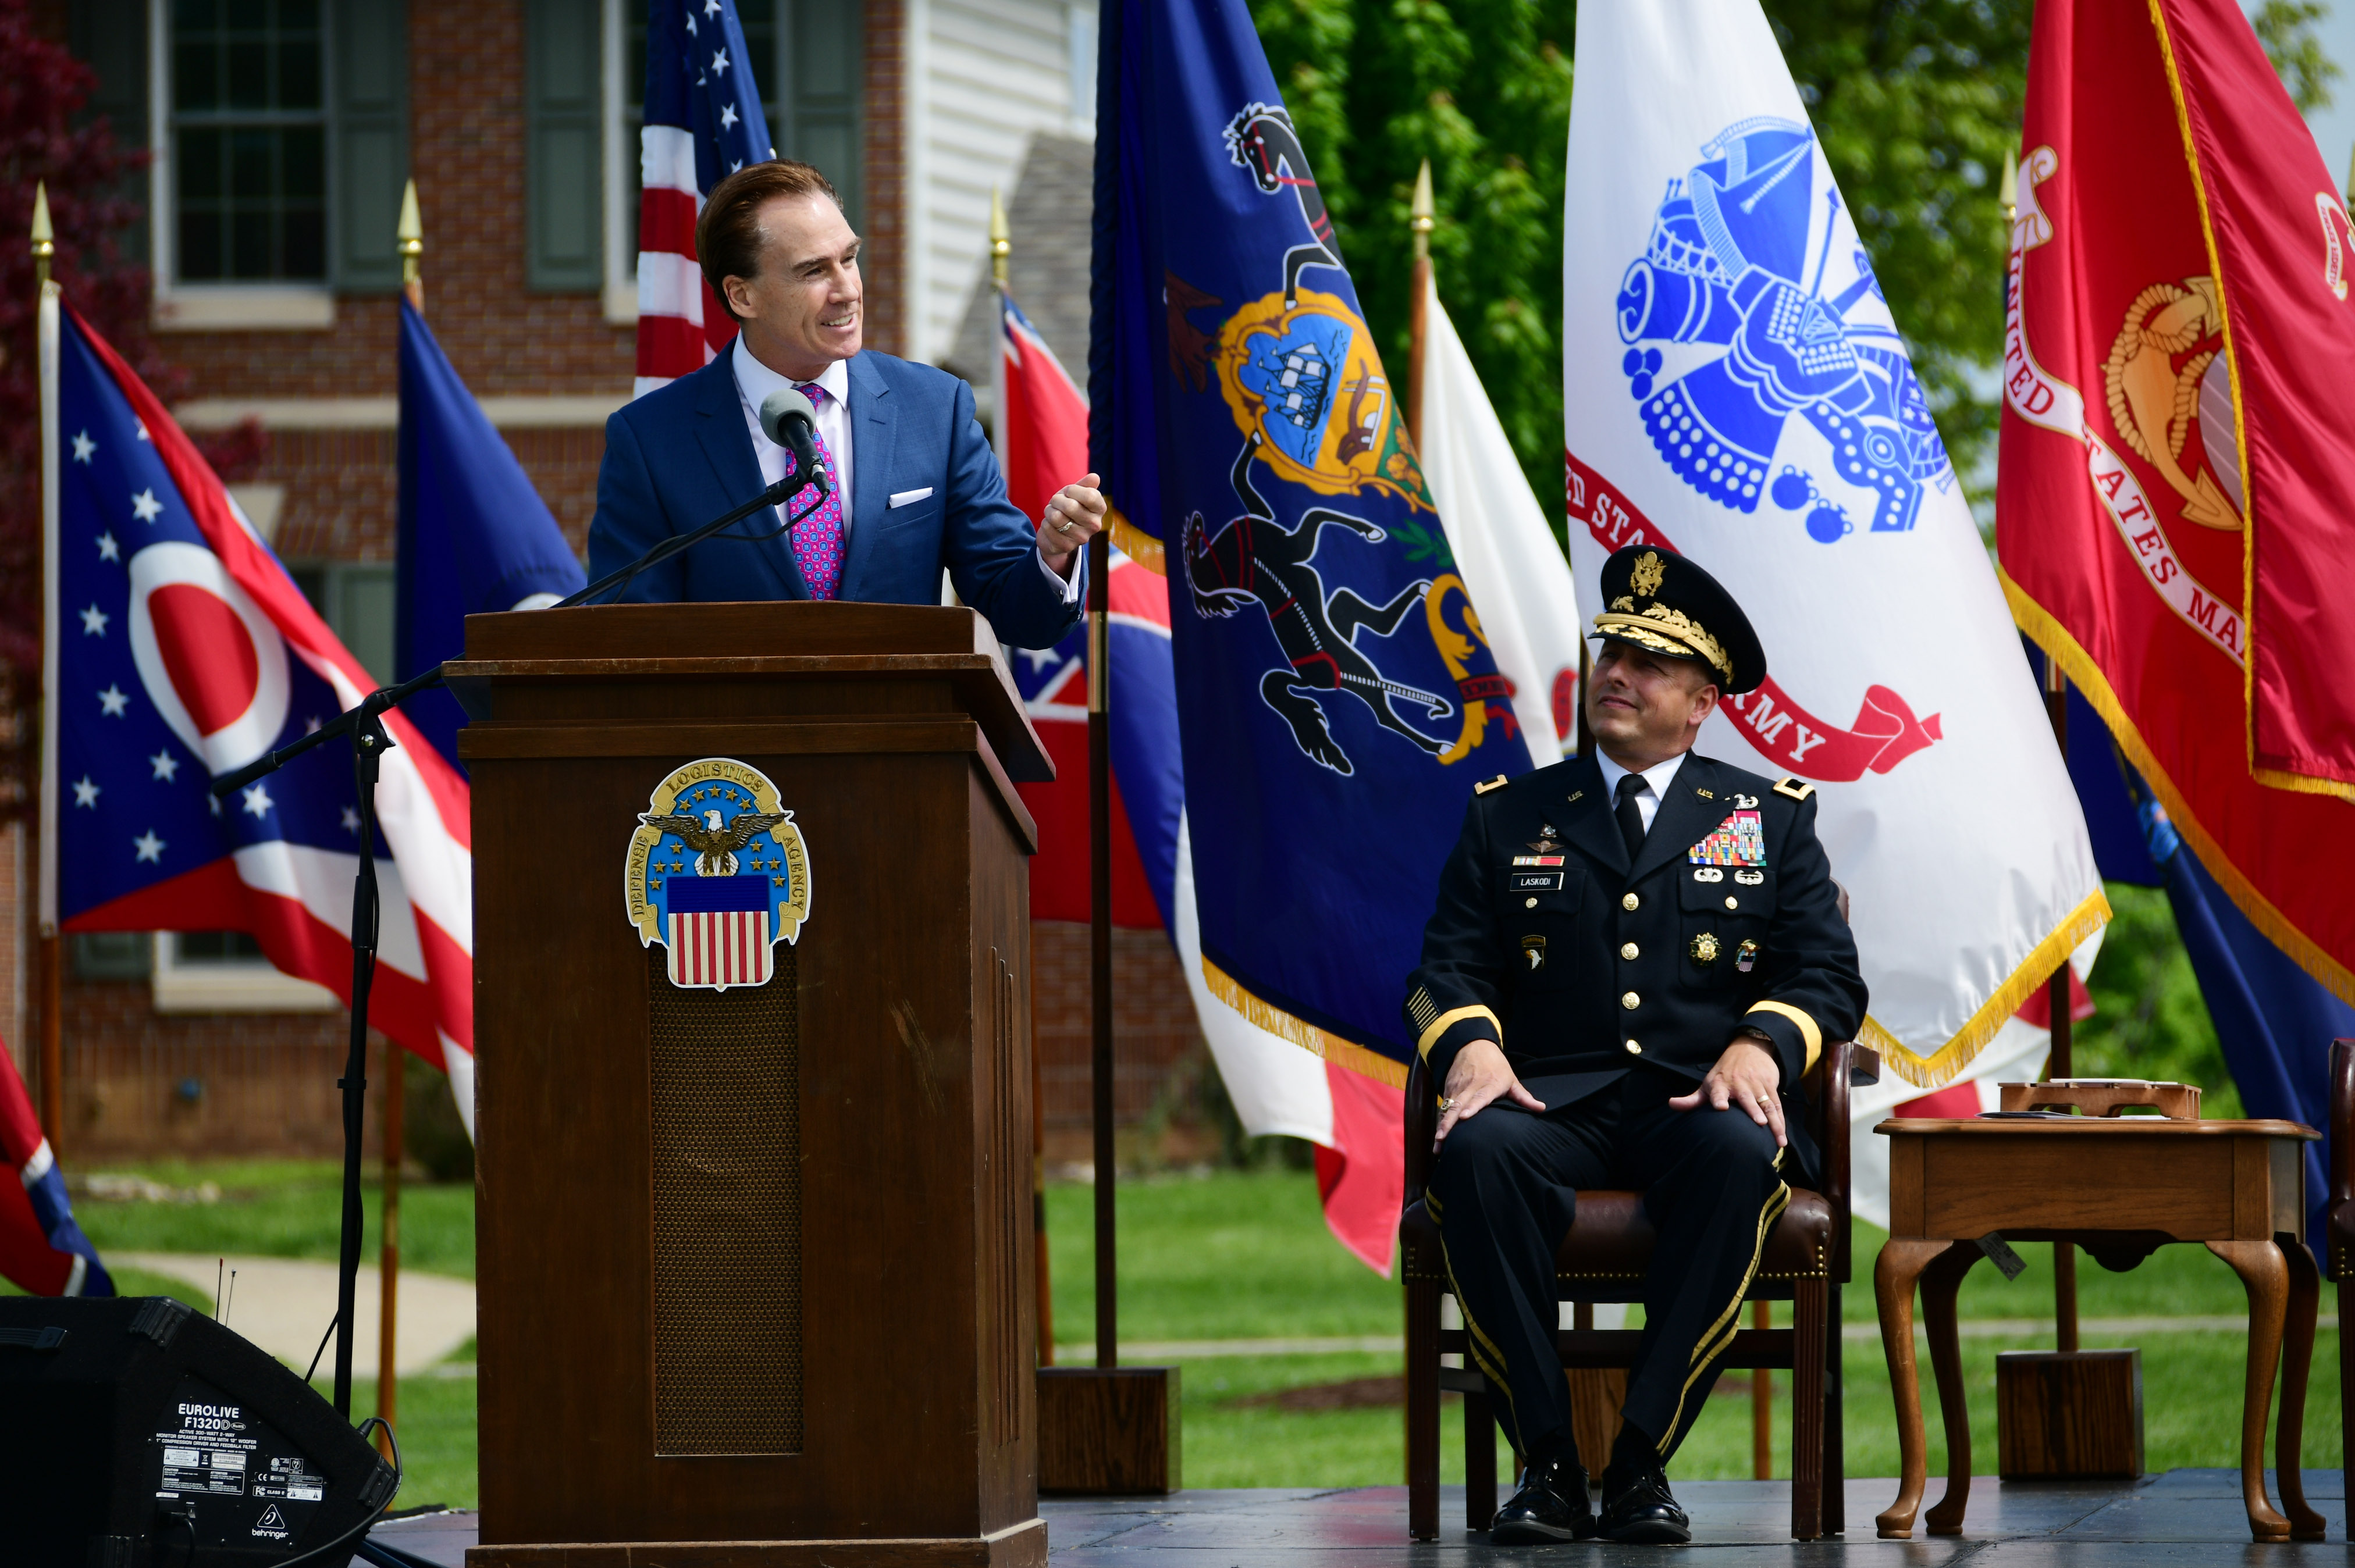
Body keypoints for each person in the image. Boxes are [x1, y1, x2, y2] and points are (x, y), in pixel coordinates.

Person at [1403, 545, 1866, 1545]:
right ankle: (1546, 1462)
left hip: (1694, 1104)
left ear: (1700, 704)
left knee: (1740, 1155)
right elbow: (1445, 969)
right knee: (1475, 1155)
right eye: (1611, 652)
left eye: (1648, 664)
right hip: (1548, 1106)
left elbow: (1826, 975)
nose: (1615, 672)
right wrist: (1472, 1049)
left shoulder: (1767, 819)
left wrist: (1760, 1045)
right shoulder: (1508, 815)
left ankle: (1639, 1460)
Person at [588, 160, 1102, 649]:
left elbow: (1016, 610)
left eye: (849, 259)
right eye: (813, 271)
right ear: (743, 296)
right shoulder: (651, 440)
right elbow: (628, 638)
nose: (847, 290)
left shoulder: (935, 409)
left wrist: (1052, 556)